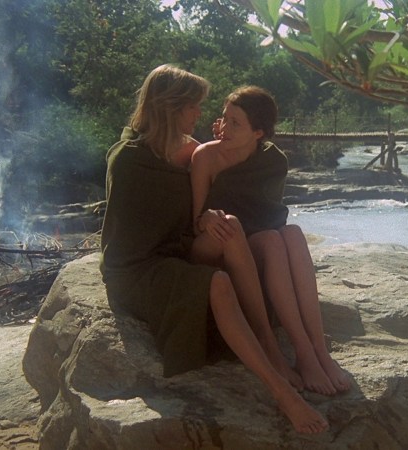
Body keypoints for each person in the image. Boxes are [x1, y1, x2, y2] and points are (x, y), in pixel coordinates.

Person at [99, 64, 328, 434]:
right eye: (193, 106)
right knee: (217, 282)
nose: (200, 113)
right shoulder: (128, 159)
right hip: (137, 268)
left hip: (180, 254)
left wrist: (208, 214)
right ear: (170, 107)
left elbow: (225, 172)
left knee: (230, 227)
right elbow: (123, 239)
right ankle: (282, 392)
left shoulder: (191, 150)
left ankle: (272, 345)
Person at [189, 85, 351, 396]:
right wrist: (206, 218)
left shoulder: (273, 160)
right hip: (218, 244)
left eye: (236, 123)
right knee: (270, 239)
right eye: (224, 118)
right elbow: (194, 223)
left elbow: (270, 216)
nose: (224, 128)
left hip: (257, 240)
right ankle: (287, 350)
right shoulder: (206, 156)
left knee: (292, 234)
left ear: (258, 133)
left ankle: (316, 352)